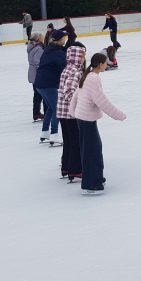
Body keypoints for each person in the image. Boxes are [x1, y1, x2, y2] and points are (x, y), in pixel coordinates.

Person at [71, 52, 127, 195]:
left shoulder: (88, 75)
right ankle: (91, 185)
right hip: (86, 119)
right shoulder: (93, 78)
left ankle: (97, 179)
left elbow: (76, 95)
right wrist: (118, 115)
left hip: (82, 118)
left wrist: (73, 112)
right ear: (100, 64)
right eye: (106, 63)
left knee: (93, 150)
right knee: (92, 152)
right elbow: (101, 100)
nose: (107, 65)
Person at [57, 44, 87, 181]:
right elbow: (69, 90)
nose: (84, 58)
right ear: (77, 57)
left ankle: (66, 167)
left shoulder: (67, 68)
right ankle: (75, 169)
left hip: (62, 112)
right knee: (75, 140)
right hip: (70, 113)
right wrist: (77, 104)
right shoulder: (75, 71)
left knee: (68, 140)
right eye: (82, 56)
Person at [35, 30, 68, 143]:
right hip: (48, 84)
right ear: (60, 40)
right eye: (64, 38)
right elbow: (63, 68)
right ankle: (54, 135)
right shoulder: (57, 52)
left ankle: (45, 132)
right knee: (57, 108)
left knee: (50, 107)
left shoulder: (49, 49)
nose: (65, 39)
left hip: (40, 83)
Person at [26, 32, 46, 122]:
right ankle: (38, 113)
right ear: (38, 39)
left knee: (37, 94)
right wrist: (42, 71)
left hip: (32, 73)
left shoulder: (32, 47)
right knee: (41, 94)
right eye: (42, 37)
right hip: (37, 74)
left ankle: (36, 113)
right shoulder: (39, 48)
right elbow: (37, 61)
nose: (43, 38)